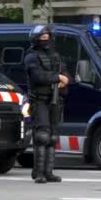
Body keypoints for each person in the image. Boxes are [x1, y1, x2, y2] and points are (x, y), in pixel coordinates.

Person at [24, 25, 69, 184]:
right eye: (42, 37)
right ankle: (39, 172)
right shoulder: (31, 57)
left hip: (54, 99)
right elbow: (38, 77)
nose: (45, 39)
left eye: (47, 36)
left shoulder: (56, 56)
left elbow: (65, 74)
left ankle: (49, 172)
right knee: (42, 135)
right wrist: (58, 78)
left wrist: (64, 80)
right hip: (39, 99)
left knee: (52, 136)